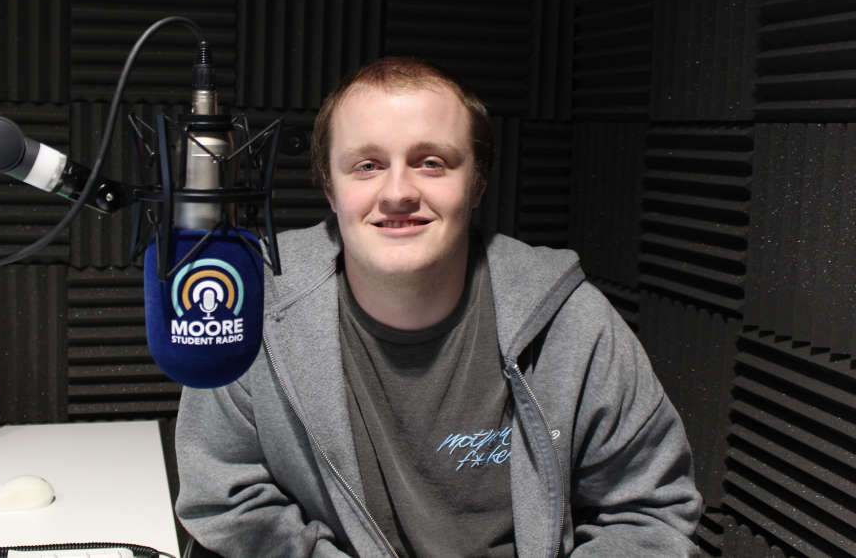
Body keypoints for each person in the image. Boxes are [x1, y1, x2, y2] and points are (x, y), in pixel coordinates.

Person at [174, 56, 702, 557]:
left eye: (431, 163)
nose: (397, 192)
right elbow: (225, 497)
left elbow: (649, 513)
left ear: (477, 184)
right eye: (367, 165)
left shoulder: (573, 322)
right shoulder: (250, 304)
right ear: (329, 189)